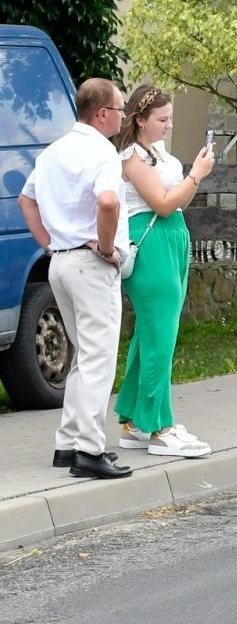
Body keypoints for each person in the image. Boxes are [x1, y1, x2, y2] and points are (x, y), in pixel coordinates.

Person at [19, 78, 135, 478]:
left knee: (82, 353)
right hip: (91, 265)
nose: (124, 116)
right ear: (102, 112)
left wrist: (50, 243)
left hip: (60, 264)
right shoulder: (102, 152)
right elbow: (107, 200)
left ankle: (67, 444)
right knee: (98, 356)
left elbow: (25, 199)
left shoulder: (53, 152)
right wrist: (106, 248)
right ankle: (89, 449)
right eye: (120, 109)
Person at [113, 85, 216, 457]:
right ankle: (160, 427)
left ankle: (135, 419)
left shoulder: (157, 153)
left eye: (170, 118)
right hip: (152, 243)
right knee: (161, 336)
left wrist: (194, 178)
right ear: (140, 120)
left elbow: (180, 202)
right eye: (162, 119)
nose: (169, 125)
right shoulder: (131, 158)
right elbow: (162, 203)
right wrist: (197, 174)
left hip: (171, 240)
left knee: (150, 334)